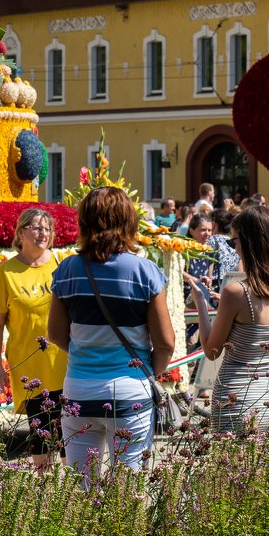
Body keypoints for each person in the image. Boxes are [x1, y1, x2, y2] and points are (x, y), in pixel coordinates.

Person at [48, 186, 174, 480]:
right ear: (129, 222)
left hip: (79, 390)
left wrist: (86, 353)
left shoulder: (67, 270)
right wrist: (147, 371)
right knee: (127, 495)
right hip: (131, 392)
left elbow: (54, 334)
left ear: (85, 222)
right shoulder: (145, 272)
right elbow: (166, 343)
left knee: (81, 488)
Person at [193, 209, 269, 433]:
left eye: (235, 241)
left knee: (228, 468)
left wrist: (201, 303)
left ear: (248, 242)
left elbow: (212, 351)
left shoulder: (235, 292)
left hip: (234, 400)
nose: (235, 248)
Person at [0, 208, 67, 464]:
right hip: (30, 369)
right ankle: (44, 495)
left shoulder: (62, 264)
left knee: (70, 440)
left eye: (47, 229)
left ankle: (73, 497)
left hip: (65, 362)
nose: (43, 234)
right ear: (21, 232)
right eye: (37, 228)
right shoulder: (7, 273)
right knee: (41, 441)